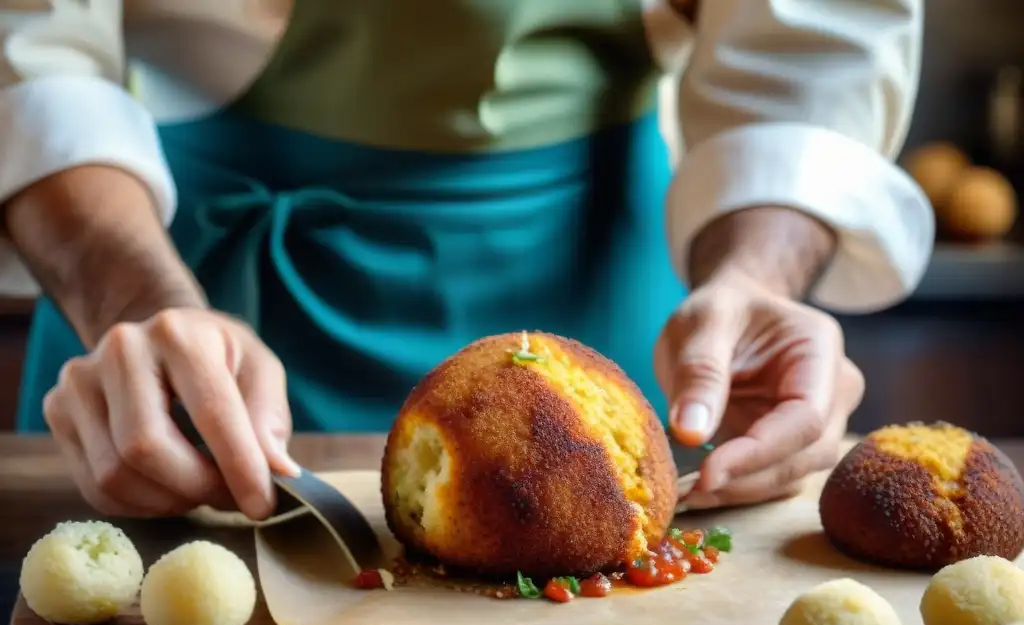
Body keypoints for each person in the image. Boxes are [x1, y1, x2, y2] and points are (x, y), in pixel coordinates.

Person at [0, 0, 932, 523]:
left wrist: (753, 280)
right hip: (164, 288)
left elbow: (813, 44)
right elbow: (28, 43)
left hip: (603, 299)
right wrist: (132, 298)